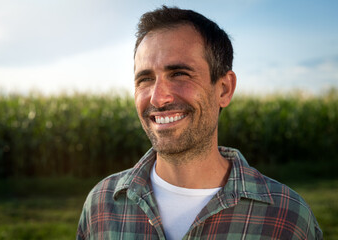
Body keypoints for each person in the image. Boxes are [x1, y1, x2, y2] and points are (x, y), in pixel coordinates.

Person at [77, 6, 322, 240]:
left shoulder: (288, 219)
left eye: (179, 74)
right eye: (145, 79)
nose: (158, 98)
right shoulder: (100, 206)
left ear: (224, 89)